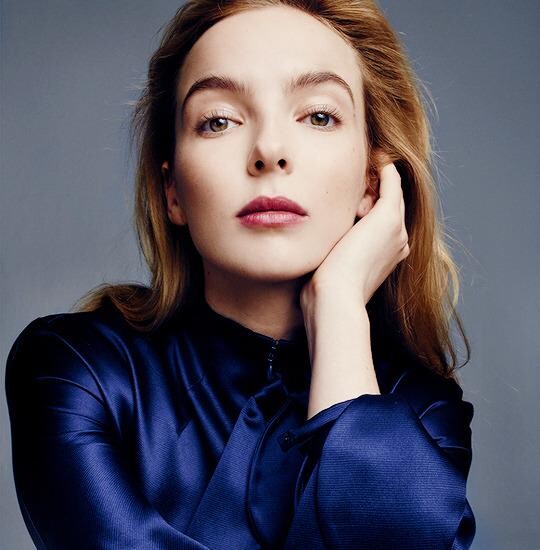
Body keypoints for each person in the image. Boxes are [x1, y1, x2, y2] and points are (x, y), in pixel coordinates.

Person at [5, 1, 476, 548]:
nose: (269, 151)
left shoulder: (421, 411)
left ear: (372, 183)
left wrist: (339, 305)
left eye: (318, 116)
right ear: (172, 190)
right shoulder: (78, 369)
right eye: (219, 121)